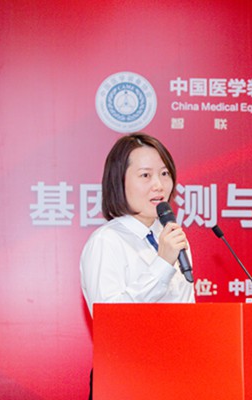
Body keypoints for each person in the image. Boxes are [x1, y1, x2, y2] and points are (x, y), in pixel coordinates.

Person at [80, 132, 195, 398]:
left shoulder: (173, 237)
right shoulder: (106, 241)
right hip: (125, 377)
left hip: (175, 374)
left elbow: (186, 311)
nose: (159, 185)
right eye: (145, 175)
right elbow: (111, 322)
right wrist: (162, 264)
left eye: (164, 174)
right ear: (119, 182)